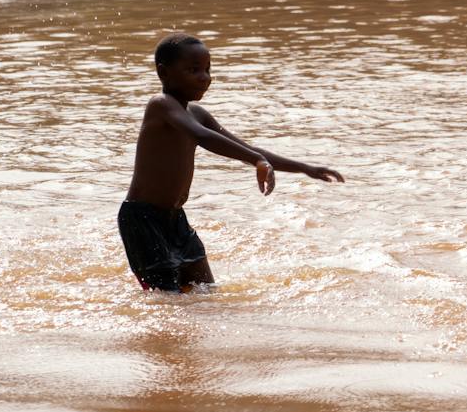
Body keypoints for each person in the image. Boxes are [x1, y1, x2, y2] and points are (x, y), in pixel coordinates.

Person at [119, 32, 344, 291]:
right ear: (163, 73)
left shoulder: (197, 113)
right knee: (166, 299)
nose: (204, 77)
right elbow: (202, 136)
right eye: (193, 70)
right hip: (143, 220)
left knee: (205, 293)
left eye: (207, 69)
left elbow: (248, 149)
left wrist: (304, 168)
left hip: (175, 219)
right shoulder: (160, 105)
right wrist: (257, 160)